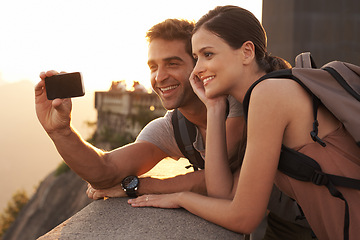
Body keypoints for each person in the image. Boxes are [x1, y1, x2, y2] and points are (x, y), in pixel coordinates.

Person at [127, 6, 360, 240]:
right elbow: (223, 194)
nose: (196, 71)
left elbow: (243, 218)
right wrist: (214, 108)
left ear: (247, 52)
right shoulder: (261, 99)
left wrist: (179, 197)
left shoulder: (269, 94)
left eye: (208, 55)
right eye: (196, 58)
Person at [35, 19, 243, 204]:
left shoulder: (234, 101)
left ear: (198, 65)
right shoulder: (172, 128)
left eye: (172, 63)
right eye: (153, 67)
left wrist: (140, 186)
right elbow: (106, 171)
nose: (159, 77)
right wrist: (61, 132)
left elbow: (218, 179)